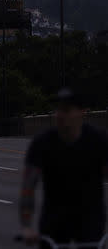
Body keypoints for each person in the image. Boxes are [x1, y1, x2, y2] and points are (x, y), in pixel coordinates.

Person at [19, 87, 108, 248]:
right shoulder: (42, 143)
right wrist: (26, 226)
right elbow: (28, 188)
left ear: (82, 112)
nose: (60, 115)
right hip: (54, 221)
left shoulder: (98, 141)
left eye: (66, 110)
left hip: (90, 221)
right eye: (58, 110)